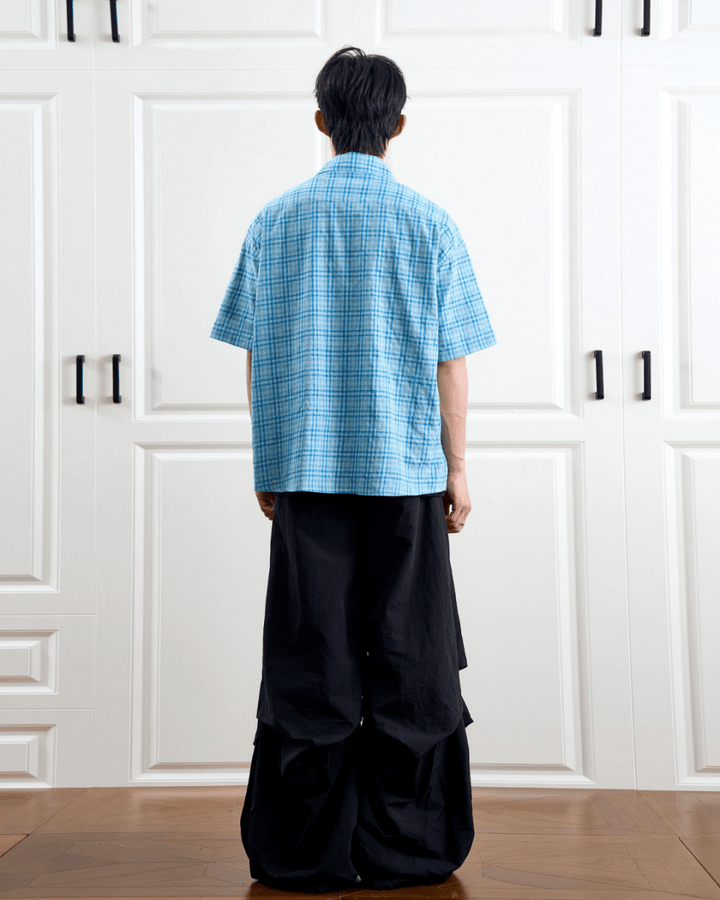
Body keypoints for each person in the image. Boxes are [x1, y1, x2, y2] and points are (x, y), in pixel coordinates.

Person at [210, 45, 497, 894]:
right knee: (413, 655)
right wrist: (458, 468)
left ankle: (305, 851)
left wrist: (267, 462)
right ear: (398, 125)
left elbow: (259, 354)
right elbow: (451, 361)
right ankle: (408, 846)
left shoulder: (275, 221)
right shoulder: (430, 223)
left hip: (305, 473)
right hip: (406, 476)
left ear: (321, 121)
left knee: (311, 656)